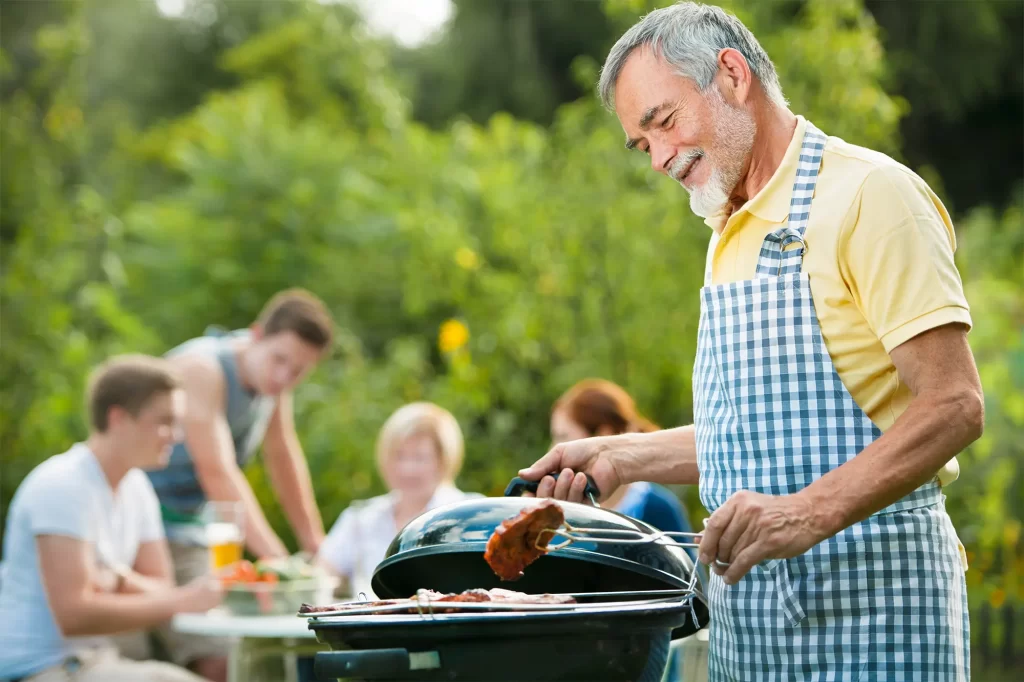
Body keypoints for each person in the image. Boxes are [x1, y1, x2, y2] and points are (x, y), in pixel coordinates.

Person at [518, 3, 979, 680]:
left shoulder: (871, 196)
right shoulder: (727, 231)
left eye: (664, 122)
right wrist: (621, 454)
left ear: (732, 75)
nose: (661, 159)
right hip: (753, 632)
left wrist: (804, 514)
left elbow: (954, 405)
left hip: (879, 611)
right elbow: (758, 438)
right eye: (644, 145)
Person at [145, 288, 334, 681]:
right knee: (211, 657)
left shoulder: (272, 384)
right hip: (138, 528)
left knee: (239, 658)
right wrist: (283, 566)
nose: (284, 376)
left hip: (188, 531)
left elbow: (283, 457)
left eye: (298, 371)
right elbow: (218, 473)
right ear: (256, 334)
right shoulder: (203, 370)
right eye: (280, 360)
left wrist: (316, 545)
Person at [0, 355, 223, 682]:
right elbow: (75, 616)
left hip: (92, 662)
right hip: (39, 670)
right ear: (118, 418)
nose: (176, 436)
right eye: (164, 421)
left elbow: (160, 585)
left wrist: (120, 579)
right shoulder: (62, 486)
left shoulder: (136, 485)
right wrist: (185, 600)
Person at [315, 402, 483, 599]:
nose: (407, 469)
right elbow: (319, 580)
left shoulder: (472, 514)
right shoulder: (359, 519)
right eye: (399, 456)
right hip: (371, 627)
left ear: (443, 460)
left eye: (419, 457)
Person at [551, 379, 694, 539]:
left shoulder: (658, 509)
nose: (553, 448)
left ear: (602, 435)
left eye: (562, 436)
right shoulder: (561, 511)